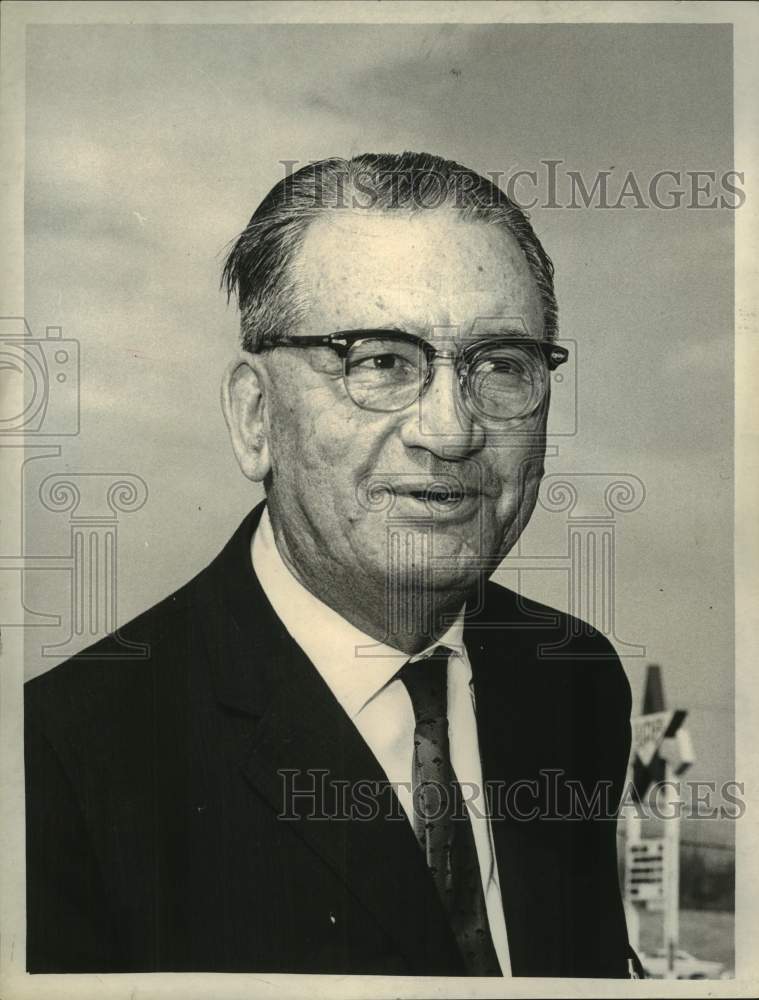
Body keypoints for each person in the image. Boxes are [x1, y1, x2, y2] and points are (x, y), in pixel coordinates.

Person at [25, 152, 637, 977]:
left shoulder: (574, 676)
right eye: (379, 361)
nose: (448, 432)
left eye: (500, 365)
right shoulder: (59, 760)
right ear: (255, 419)